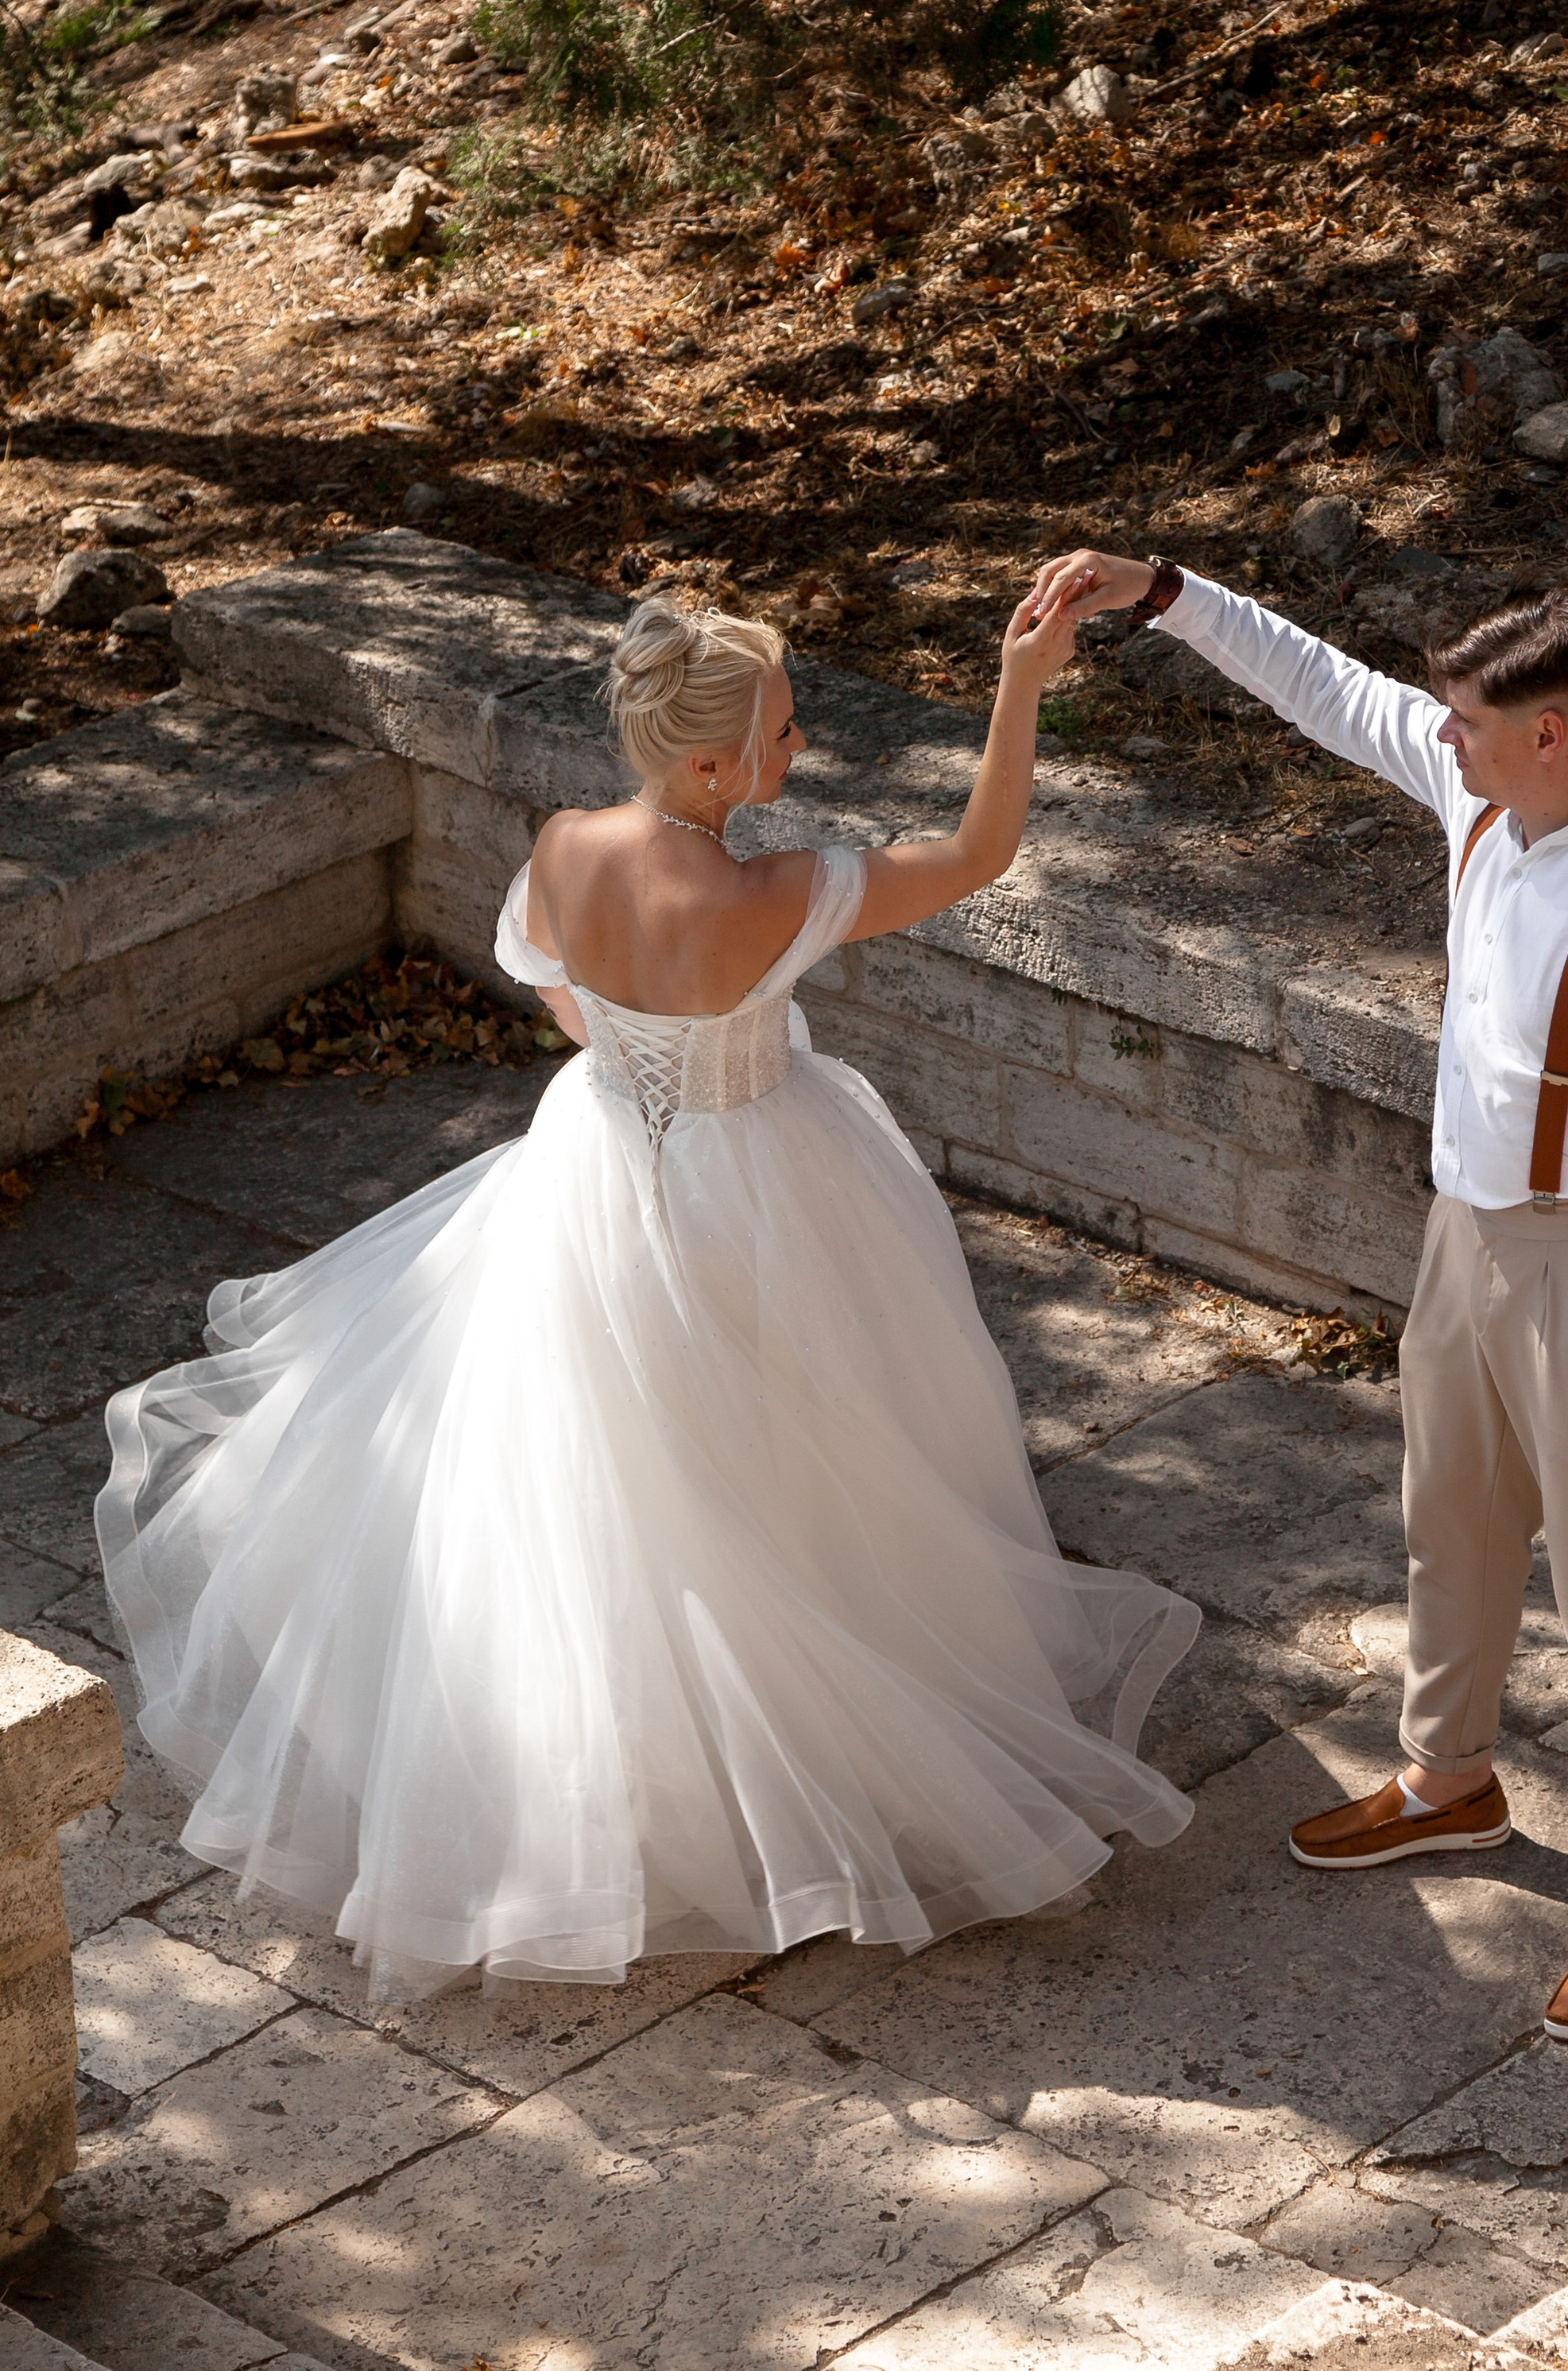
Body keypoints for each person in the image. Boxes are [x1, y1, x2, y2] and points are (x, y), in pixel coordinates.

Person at [98, 587, 1198, 2001]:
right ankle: (795, 1777)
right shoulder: (779, 893)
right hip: (765, 1188)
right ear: (706, 767)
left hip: (598, 1164)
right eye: (781, 733)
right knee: (790, 1463)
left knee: (590, 1486)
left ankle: (610, 1781)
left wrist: (635, 1061)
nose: (799, 750)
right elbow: (984, 849)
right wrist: (1021, 681)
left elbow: (553, 986)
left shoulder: (564, 847)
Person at [1030, 547, 1568, 2044]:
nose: (1441, 738)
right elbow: (1328, 689)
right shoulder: (1488, 795)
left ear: (1552, 729)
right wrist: (1161, 590)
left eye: (1472, 722)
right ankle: (1452, 1778)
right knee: (1453, 1521)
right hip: (1467, 1238)